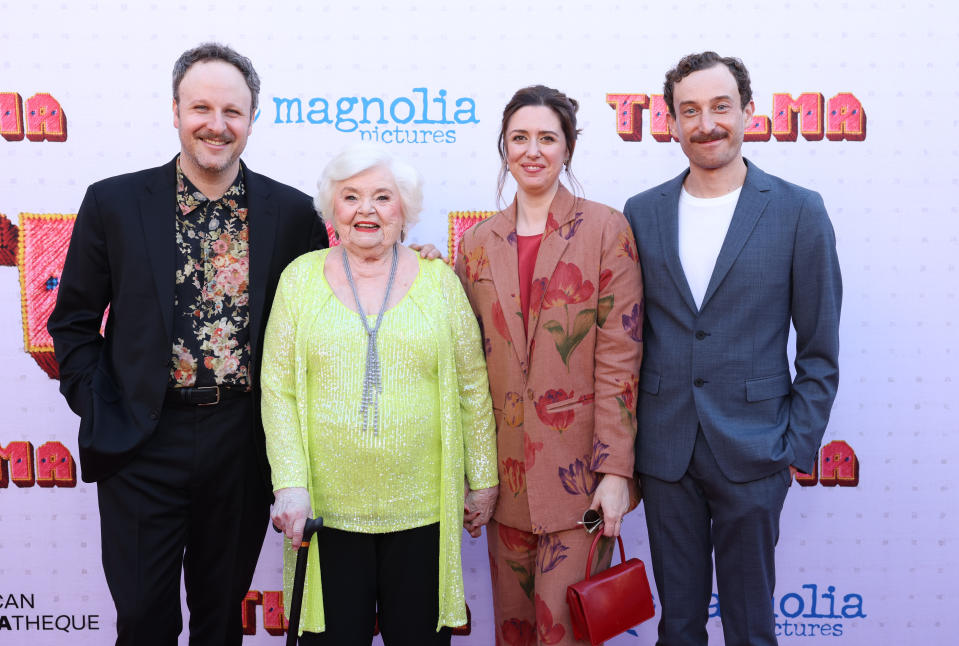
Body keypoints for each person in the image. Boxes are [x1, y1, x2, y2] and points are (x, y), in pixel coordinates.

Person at [45, 43, 330, 645]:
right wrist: (99, 405)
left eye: (233, 111)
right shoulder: (114, 202)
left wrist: (417, 262)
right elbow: (72, 322)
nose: (216, 124)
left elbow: (325, 317)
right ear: (175, 110)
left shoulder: (295, 214)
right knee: (144, 619)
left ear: (252, 118)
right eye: (201, 107)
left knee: (221, 619)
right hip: (141, 442)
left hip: (240, 444)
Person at [623, 52, 842, 646]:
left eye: (721, 107)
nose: (706, 123)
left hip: (755, 450)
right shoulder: (640, 214)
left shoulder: (799, 210)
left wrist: (795, 446)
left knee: (751, 626)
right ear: (670, 122)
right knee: (679, 626)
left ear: (748, 112)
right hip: (666, 451)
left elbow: (820, 350)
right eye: (689, 111)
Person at [264, 143, 499, 645]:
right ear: (333, 209)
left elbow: (471, 386)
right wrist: (289, 484)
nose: (366, 210)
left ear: (405, 210)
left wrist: (482, 479)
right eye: (351, 197)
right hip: (323, 513)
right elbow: (277, 390)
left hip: (424, 510)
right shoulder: (298, 280)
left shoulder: (439, 282)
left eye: (382, 197)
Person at [455, 85, 644, 645]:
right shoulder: (479, 244)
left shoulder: (607, 230)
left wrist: (616, 473)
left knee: (565, 635)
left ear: (568, 147)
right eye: (519, 138)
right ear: (504, 148)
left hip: (579, 481)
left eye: (546, 138)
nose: (532, 150)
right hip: (504, 481)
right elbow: (466, 360)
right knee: (511, 633)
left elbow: (621, 360)